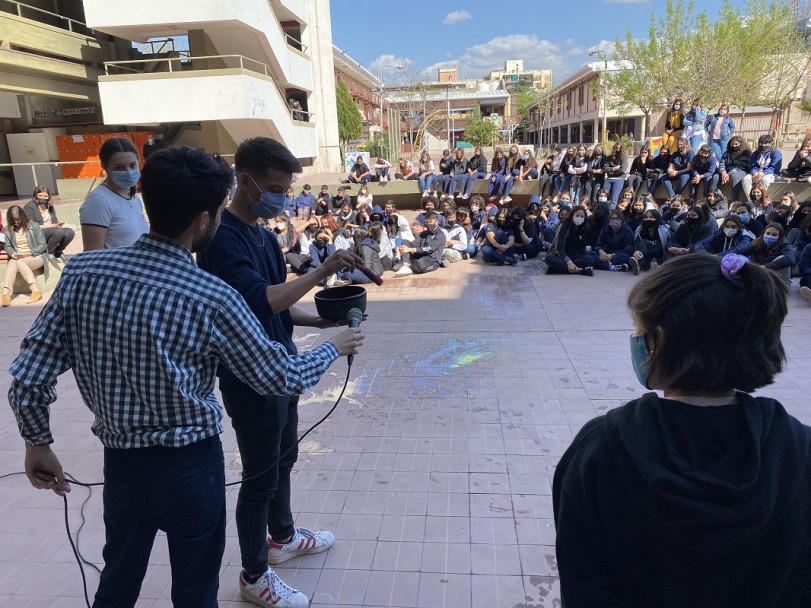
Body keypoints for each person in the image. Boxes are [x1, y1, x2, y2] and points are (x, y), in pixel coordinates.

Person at [9, 146, 364, 608]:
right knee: (195, 590)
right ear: (203, 218)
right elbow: (277, 376)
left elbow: (30, 373)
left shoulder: (82, 273)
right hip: (189, 468)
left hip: (121, 466)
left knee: (118, 578)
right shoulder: (210, 295)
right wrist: (334, 349)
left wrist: (38, 442)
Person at [553, 252, 810, 608]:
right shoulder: (798, 451)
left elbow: (584, 583)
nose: (634, 338)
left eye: (638, 330)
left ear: (658, 341)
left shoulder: (601, 451)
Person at [196, 138, 366, 608]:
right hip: (249, 377)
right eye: (274, 188)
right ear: (245, 181)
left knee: (283, 460)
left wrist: (322, 320)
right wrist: (324, 269)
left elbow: (280, 313)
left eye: (287, 189)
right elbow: (259, 301)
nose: (281, 198)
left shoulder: (265, 236)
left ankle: (283, 537)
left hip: (282, 369)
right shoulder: (222, 238)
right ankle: (254, 575)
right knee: (259, 477)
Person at [79, 137, 149, 250]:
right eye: (119, 168)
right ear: (104, 166)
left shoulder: (134, 199)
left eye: (132, 165)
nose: (128, 172)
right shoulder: (98, 201)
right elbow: (93, 254)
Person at [2, 205, 48, 306]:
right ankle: (5, 293)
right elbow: (8, 246)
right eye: (13, 220)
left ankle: (35, 290)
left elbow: (42, 244)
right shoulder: (8, 229)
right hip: (20, 257)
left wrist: (30, 253)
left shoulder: (33, 226)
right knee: (12, 262)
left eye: (18, 219)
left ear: (23, 216)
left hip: (36, 256)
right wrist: (12, 253)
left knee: (20, 262)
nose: (16, 222)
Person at [23, 185, 75, 263]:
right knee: (58, 231)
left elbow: (54, 222)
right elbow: (30, 226)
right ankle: (50, 252)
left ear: (48, 197)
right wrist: (47, 226)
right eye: (40, 195)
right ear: (35, 195)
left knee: (70, 232)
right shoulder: (29, 206)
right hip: (37, 232)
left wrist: (57, 225)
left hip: (52, 230)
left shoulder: (50, 207)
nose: (42, 198)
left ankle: (58, 251)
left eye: (45, 196)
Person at [545, 205, 593, 276]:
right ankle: (579, 270)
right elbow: (559, 248)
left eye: (582, 216)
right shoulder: (564, 227)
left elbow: (582, 249)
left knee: (590, 259)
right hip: (563, 256)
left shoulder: (584, 228)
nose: (579, 218)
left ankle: (556, 269)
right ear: (572, 216)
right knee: (549, 259)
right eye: (577, 215)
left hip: (576, 257)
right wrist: (568, 262)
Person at [394, 210, 446, 275]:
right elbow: (414, 243)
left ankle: (409, 265)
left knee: (419, 264)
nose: (428, 224)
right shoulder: (424, 233)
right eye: (427, 222)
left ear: (436, 222)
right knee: (405, 242)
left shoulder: (440, 235)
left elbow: (429, 249)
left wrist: (411, 249)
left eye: (430, 222)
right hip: (420, 256)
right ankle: (405, 265)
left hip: (432, 260)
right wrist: (402, 248)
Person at [742, 134, 782, 199]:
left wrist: (763, 173)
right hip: (757, 173)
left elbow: (774, 167)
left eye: (765, 143)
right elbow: (752, 165)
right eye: (761, 143)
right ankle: (750, 200)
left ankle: (762, 199)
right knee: (746, 179)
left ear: (770, 144)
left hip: (770, 173)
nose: (763, 145)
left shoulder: (776, 153)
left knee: (765, 180)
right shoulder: (755, 153)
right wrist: (755, 172)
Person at [630, 209, 669, 274]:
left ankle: (642, 264)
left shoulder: (662, 230)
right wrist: (636, 251)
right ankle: (638, 266)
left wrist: (643, 253)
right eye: (646, 217)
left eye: (651, 217)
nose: (648, 219)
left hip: (659, 254)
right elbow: (637, 243)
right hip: (645, 253)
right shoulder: (640, 229)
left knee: (648, 255)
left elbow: (659, 248)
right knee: (642, 242)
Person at [718, 135, 750, 202]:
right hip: (726, 172)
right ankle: (714, 198)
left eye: (736, 144)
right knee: (715, 177)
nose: (734, 146)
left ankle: (735, 201)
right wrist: (723, 172)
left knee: (735, 177)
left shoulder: (745, 153)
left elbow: (741, 166)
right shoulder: (726, 153)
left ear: (741, 144)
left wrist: (729, 174)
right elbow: (721, 163)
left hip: (742, 171)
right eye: (732, 144)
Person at [604, 143, 629, 208]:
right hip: (609, 179)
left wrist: (611, 171)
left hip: (619, 179)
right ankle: (604, 210)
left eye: (619, 148)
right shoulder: (609, 157)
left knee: (614, 198)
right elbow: (605, 169)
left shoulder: (624, 157)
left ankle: (612, 213)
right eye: (616, 148)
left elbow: (622, 170)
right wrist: (614, 168)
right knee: (604, 197)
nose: (618, 150)